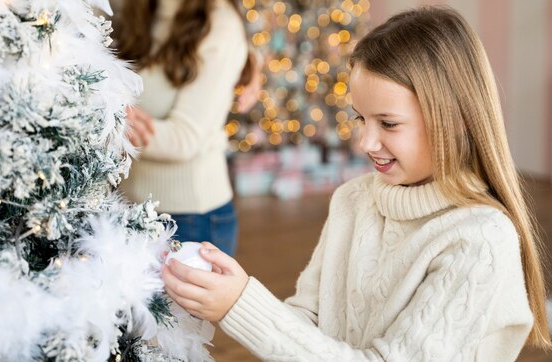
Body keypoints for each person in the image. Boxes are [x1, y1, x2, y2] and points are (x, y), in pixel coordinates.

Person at [160, 6, 552, 361]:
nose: (365, 142)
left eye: (389, 123)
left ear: (456, 119)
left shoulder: (479, 239)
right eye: (361, 119)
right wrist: (231, 296)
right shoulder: (353, 200)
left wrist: (241, 304)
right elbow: (307, 319)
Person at [113, 0, 253, 256]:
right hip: (125, 206)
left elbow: (184, 139)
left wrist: (109, 120)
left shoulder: (221, 25)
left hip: (189, 221)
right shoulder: (131, 8)